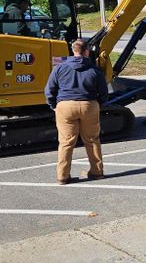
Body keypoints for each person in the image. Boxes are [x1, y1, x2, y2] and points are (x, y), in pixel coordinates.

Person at [44, 38, 109, 185]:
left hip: (65, 106)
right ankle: (97, 172)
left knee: (66, 143)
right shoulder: (94, 70)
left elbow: (49, 90)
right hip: (89, 105)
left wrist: (53, 105)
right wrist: (98, 104)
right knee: (92, 140)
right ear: (86, 51)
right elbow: (104, 93)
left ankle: (63, 176)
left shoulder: (59, 68)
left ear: (73, 51)